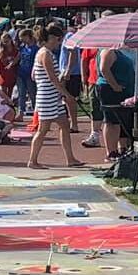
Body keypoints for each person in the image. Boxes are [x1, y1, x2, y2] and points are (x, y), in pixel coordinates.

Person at [26, 25, 83, 170]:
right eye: (58, 40)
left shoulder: (45, 53)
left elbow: (34, 75)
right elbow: (52, 78)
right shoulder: (45, 54)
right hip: (47, 97)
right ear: (50, 38)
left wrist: (59, 80)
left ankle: (70, 158)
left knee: (64, 125)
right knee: (43, 129)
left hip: (52, 95)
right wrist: (67, 94)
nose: (59, 43)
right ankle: (32, 160)